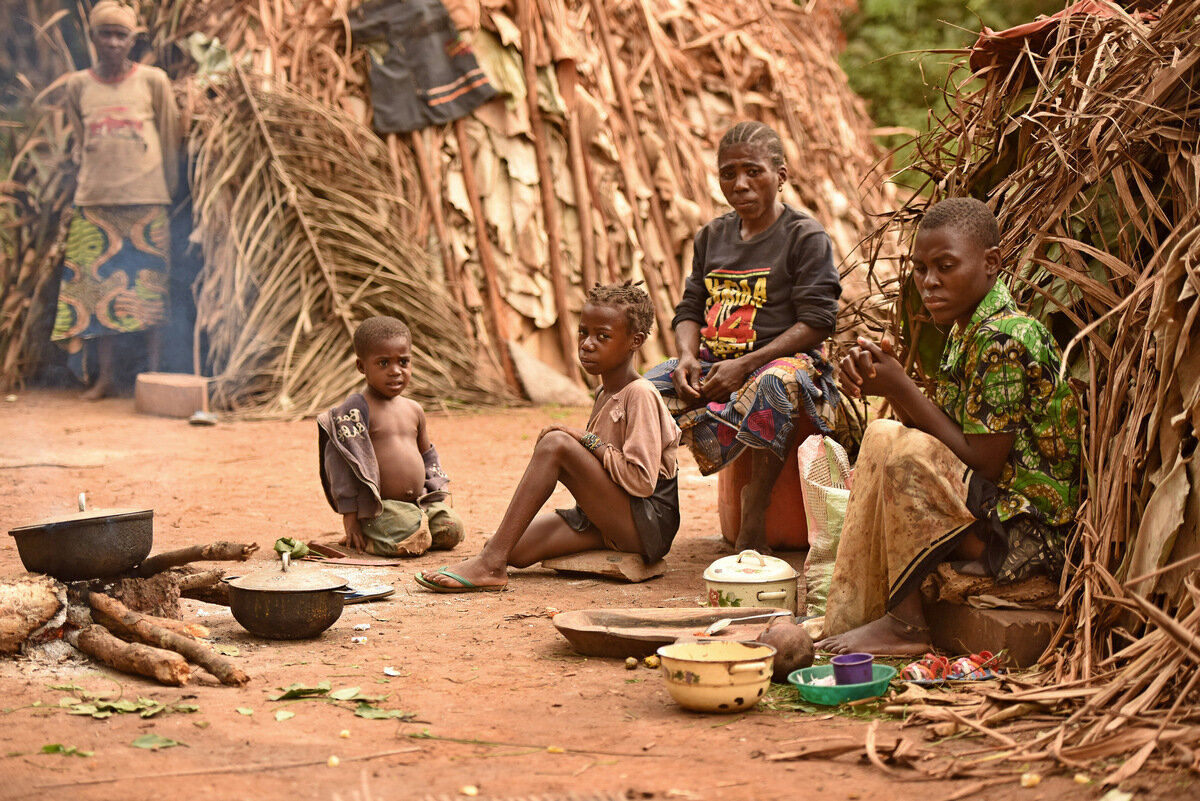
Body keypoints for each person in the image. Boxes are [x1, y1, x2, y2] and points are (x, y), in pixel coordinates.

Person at [816, 197, 1082, 656]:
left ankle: (905, 625)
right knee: (883, 436)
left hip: (1023, 534)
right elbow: (944, 438)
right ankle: (864, 612)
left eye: (945, 266)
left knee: (906, 452)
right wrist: (888, 382)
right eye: (920, 269)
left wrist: (901, 387)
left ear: (991, 263)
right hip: (987, 512)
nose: (929, 282)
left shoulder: (1004, 338)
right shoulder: (967, 331)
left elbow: (983, 460)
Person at [644, 121, 842, 553]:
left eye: (754, 171)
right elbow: (690, 309)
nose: (740, 184)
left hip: (792, 365)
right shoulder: (712, 236)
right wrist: (685, 357)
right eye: (728, 174)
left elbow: (818, 321)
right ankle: (648, 512)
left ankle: (755, 510)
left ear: (781, 176)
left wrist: (747, 365)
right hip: (716, 360)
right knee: (642, 393)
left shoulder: (804, 237)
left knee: (773, 385)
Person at [415, 283, 681, 593]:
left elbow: (640, 482)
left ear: (635, 341)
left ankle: (490, 565)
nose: (588, 344)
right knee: (510, 547)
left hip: (646, 525)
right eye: (583, 332)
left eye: (603, 336)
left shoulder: (640, 394)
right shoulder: (605, 392)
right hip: (604, 520)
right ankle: (494, 557)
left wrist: (585, 440)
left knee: (556, 444)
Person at [51, 0, 180, 399]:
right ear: (93, 38)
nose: (112, 42)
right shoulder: (78, 85)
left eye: (120, 35)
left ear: (132, 40)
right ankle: (104, 378)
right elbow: (80, 140)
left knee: (150, 290)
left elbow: (171, 137)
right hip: (95, 202)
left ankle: (153, 377)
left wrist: (167, 191)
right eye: (104, 34)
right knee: (97, 293)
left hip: (146, 200)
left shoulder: (153, 80)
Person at [318, 316, 465, 557]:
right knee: (407, 529)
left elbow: (428, 456)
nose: (396, 371)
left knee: (452, 528)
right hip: (378, 509)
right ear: (361, 367)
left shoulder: (414, 409)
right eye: (383, 363)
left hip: (418, 504)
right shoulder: (353, 412)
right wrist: (350, 518)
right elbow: (340, 466)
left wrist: (436, 496)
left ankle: (418, 529)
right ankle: (376, 538)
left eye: (403, 362)